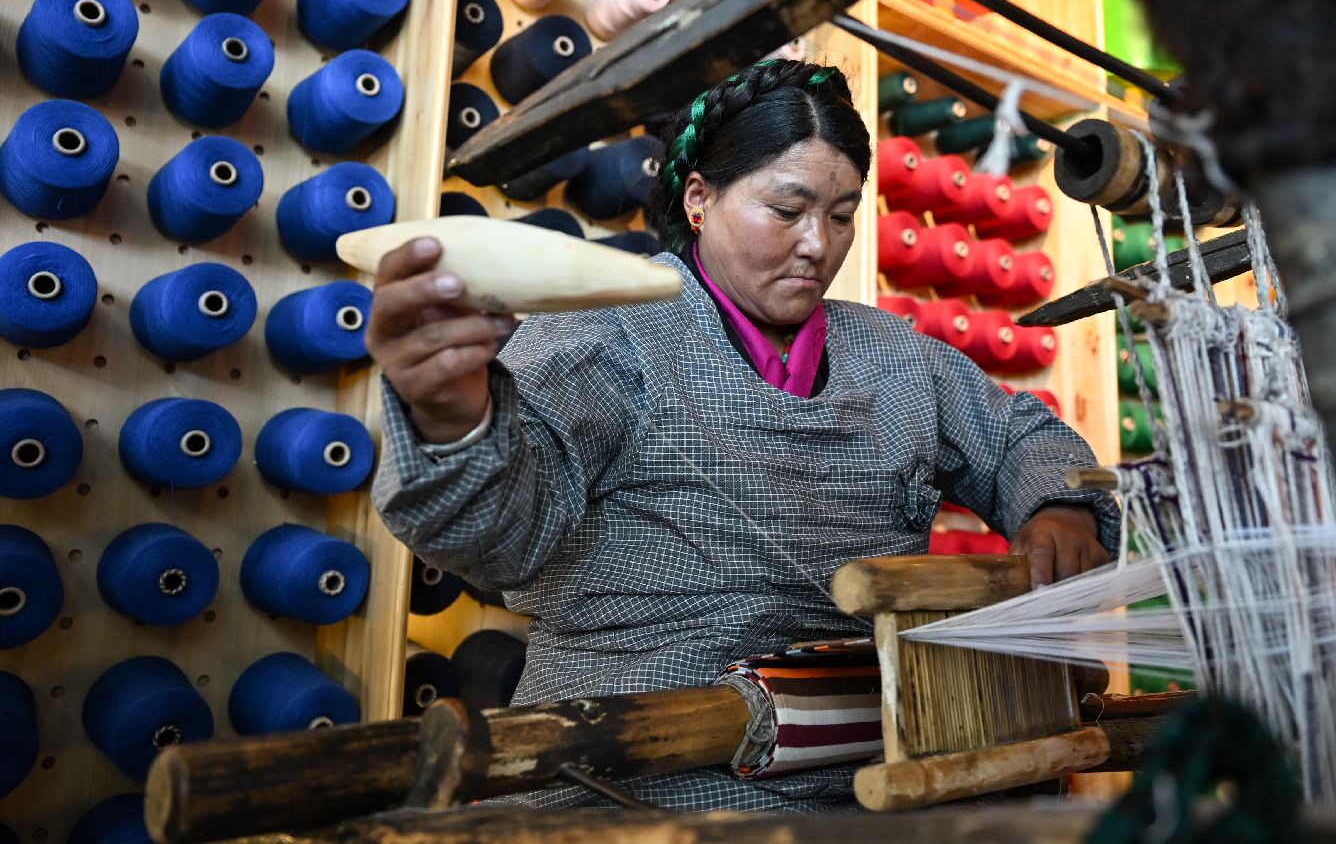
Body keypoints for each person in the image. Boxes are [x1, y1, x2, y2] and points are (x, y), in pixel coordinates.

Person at [367, 59, 1117, 810]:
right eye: (786, 210)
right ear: (699, 199)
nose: (816, 245)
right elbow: (498, 540)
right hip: (629, 767)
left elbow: (1017, 436)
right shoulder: (600, 338)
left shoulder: (897, 358)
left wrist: (1057, 507)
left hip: (867, 770)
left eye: (841, 215)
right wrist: (454, 422)